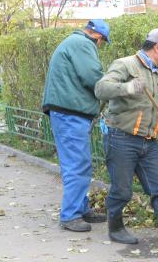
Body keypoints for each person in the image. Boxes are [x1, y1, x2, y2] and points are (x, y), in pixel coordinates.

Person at [95, 28, 158, 250]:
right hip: (121, 138)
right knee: (122, 191)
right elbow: (100, 89)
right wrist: (127, 87)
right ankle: (116, 228)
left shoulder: (155, 73)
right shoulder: (125, 64)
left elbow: (152, 109)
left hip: (148, 143)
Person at [42, 19, 110, 232]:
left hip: (67, 112)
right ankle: (70, 215)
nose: (100, 47)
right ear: (98, 37)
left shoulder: (73, 42)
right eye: (102, 43)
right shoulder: (83, 44)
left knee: (79, 163)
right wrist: (115, 88)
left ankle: (81, 208)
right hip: (70, 114)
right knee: (77, 165)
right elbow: (94, 78)